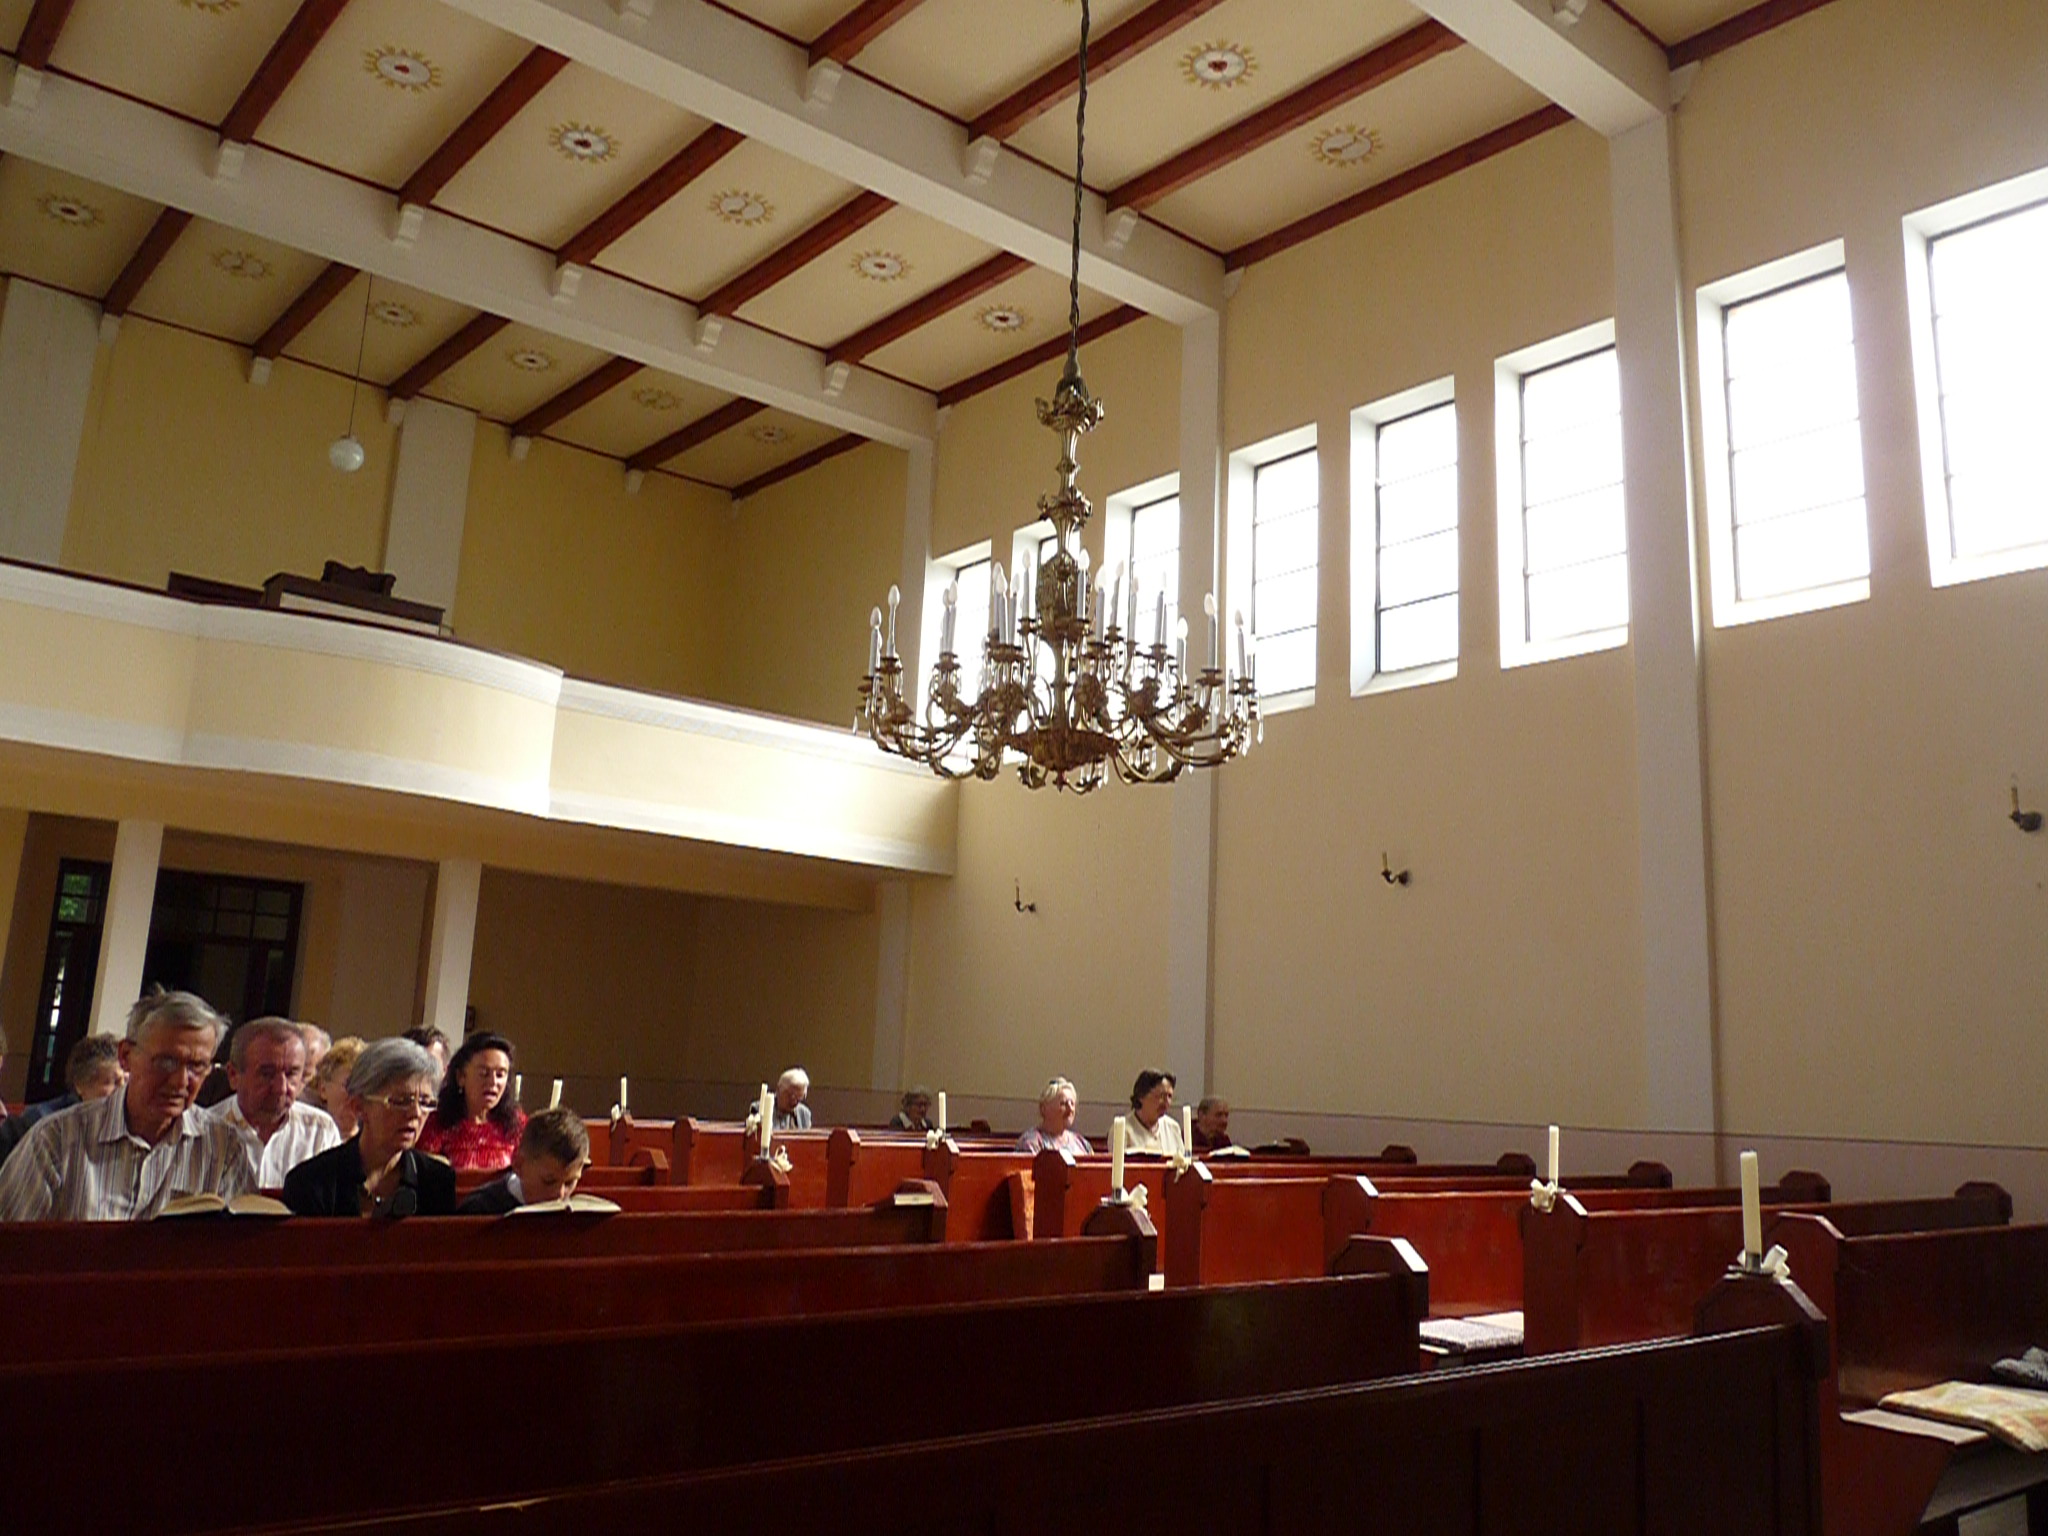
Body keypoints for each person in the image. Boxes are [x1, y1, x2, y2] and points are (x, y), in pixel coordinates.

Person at [0, 990, 252, 1221]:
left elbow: (240, 1248)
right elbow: (11, 1242)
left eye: (197, 1066)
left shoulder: (224, 1147)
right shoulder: (57, 1139)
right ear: (125, 1056)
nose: (180, 1081)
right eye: (166, 1062)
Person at [281, 1038, 457, 1217]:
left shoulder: (438, 1181)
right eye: (401, 1101)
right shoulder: (311, 1183)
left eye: (425, 1102)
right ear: (358, 1106)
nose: (416, 1113)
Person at [205, 1018, 339, 1187]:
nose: (281, 1088)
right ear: (233, 1075)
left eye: (291, 1074)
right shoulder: (204, 1131)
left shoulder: (320, 1131)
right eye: (267, 1074)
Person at [0, 1035, 124, 1168]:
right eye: (114, 1082)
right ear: (80, 1084)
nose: (122, 1090)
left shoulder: (125, 1130)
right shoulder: (42, 1122)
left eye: (127, 1082)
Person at [416, 1031, 525, 1172]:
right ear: (461, 1076)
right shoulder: (436, 1124)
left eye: (500, 1075)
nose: (493, 1082)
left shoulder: (517, 1125)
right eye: (484, 1073)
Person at [457, 1106, 590, 1214]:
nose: (560, 1194)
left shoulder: (576, 1214)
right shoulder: (478, 1209)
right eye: (549, 1181)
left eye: (570, 1183)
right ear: (519, 1165)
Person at [306, 1035, 365, 1138]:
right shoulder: (306, 1138)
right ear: (323, 1089)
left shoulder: (375, 1143)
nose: (356, 1094)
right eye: (348, 1085)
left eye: (363, 1085)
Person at [1015, 1077, 1091, 1157]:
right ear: (1044, 1108)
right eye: (1063, 1103)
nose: (1070, 1109)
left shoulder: (1082, 1143)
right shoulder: (1031, 1142)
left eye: (1072, 1103)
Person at [1122, 1069, 1185, 1157]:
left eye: (1170, 1096)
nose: (1166, 1102)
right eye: (1161, 1096)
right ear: (1141, 1096)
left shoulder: (1173, 1127)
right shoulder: (1123, 1130)